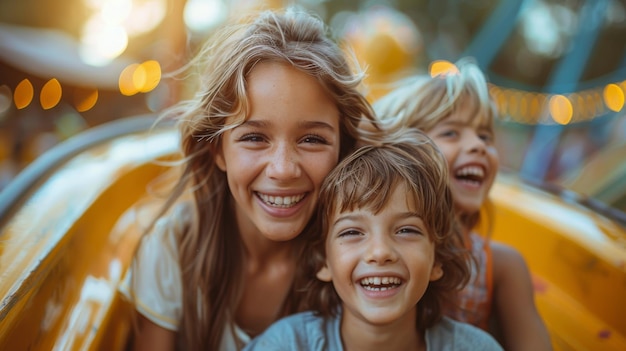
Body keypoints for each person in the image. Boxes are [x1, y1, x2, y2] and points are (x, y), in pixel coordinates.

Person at [119, 6, 382, 351]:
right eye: (255, 138)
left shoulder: (365, 259)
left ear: (343, 149)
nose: (283, 168)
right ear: (217, 150)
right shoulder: (174, 248)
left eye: (312, 139)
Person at [244, 128, 504, 351]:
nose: (380, 252)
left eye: (406, 231)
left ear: (437, 259)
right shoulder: (287, 345)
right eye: (352, 232)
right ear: (324, 260)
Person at [373, 58, 552, 350]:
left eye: (485, 135)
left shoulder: (502, 267)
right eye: (451, 133)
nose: (478, 146)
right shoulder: (375, 253)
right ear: (399, 151)